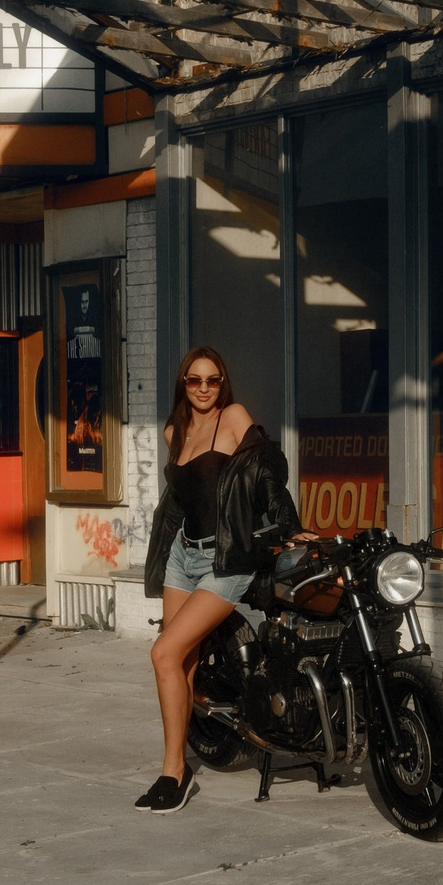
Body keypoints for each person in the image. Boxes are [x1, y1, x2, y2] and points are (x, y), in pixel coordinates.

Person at [137, 346, 304, 813]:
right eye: (195, 381)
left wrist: (289, 526)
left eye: (213, 380)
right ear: (183, 385)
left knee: (163, 652)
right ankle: (182, 758)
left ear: (222, 383)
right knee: (181, 661)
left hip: (225, 559)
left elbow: (267, 475)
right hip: (181, 557)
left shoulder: (233, 418)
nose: (205, 388)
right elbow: (180, 503)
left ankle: (173, 772)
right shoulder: (174, 431)